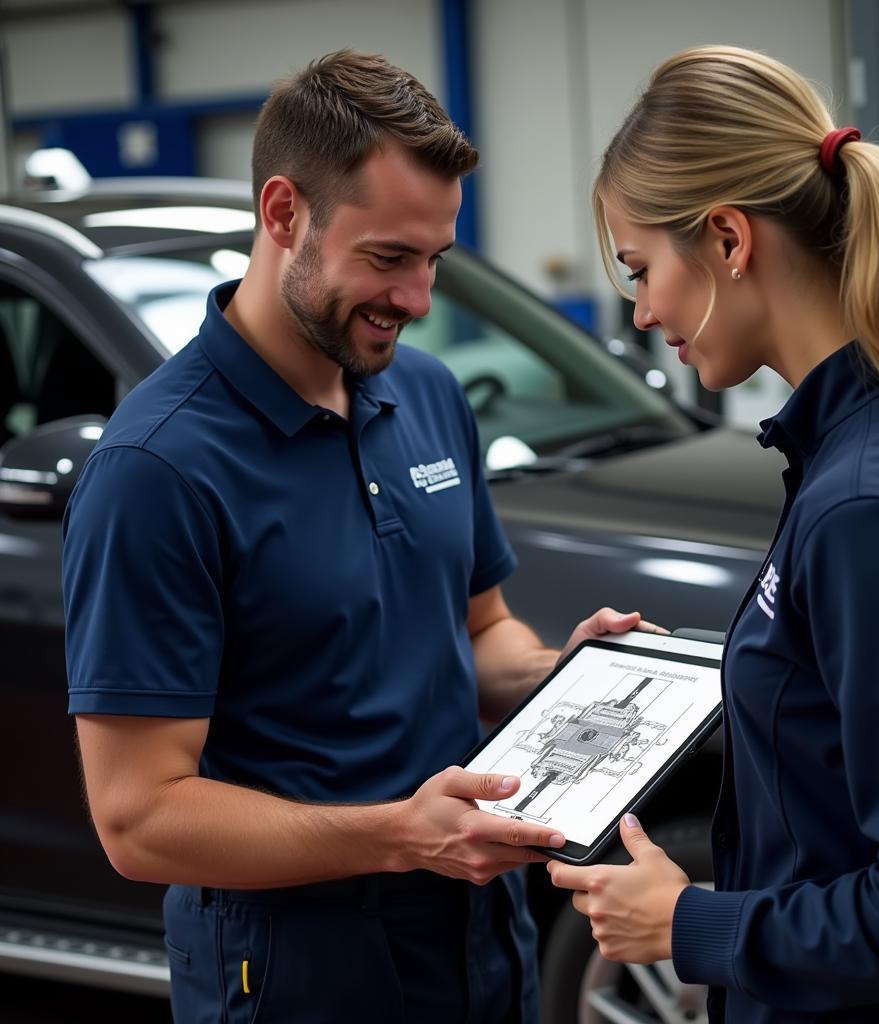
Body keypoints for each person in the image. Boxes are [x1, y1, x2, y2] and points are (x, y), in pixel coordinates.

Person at [62, 49, 652, 1024]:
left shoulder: (424, 395)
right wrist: (398, 836)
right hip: (296, 962)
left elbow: (479, 631)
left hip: (468, 924)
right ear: (283, 212)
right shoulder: (157, 469)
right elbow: (141, 818)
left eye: (433, 261)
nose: (417, 300)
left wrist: (562, 672)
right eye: (386, 258)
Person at [548, 44, 879, 1023]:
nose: (640, 311)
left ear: (727, 238)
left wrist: (692, 925)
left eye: (641, 269)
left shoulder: (867, 505)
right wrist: (689, 673)